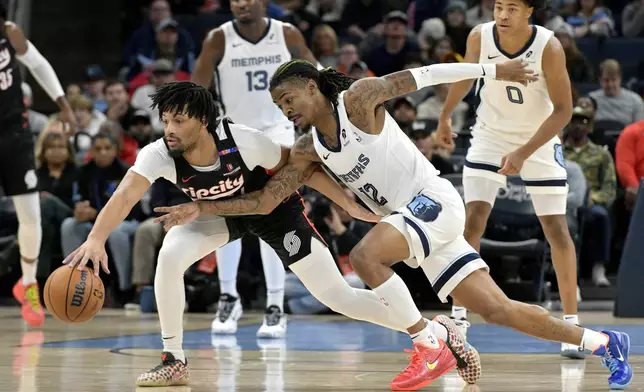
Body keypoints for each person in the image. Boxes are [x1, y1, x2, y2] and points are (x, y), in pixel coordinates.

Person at [156, 59, 633, 390]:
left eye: (289, 97)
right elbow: (263, 202)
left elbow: (426, 76)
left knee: (365, 255)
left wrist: (494, 70)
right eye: (279, 106)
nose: (286, 109)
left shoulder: (359, 100)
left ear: (313, 86)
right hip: (414, 220)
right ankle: (604, 342)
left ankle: (429, 344)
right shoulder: (306, 150)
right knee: (499, 311)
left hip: (433, 201)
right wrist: (203, 209)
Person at [63, 82, 477, 388]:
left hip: (274, 210)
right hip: (219, 215)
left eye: (179, 120)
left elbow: (305, 168)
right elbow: (123, 195)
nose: (169, 129)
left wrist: (348, 204)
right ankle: (174, 358)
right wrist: (97, 238)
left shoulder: (243, 141)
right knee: (170, 256)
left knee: (337, 297)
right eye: (166, 120)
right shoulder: (159, 153)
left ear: (203, 121)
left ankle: (435, 332)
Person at [437, 0, 584, 358]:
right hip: (490, 135)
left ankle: (571, 323)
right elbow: (464, 77)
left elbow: (564, 110)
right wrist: (445, 117)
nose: (503, 15)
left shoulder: (548, 46)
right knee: (472, 222)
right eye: (498, 7)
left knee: (556, 229)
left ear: (529, 11)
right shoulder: (479, 36)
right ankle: (459, 318)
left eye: (512, 8)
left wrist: (523, 152)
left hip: (540, 137)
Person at [191, 0, 321, 338]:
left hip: (277, 134)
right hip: (234, 136)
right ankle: (227, 296)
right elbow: (196, 91)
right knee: (226, 214)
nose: (241, 4)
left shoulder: (286, 35)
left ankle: (275, 304)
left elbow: (316, 79)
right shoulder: (218, 39)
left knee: (272, 216)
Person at [0, 5, 76, 327]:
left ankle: (28, 283)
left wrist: (64, 104)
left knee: (30, 214)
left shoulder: (9, 32)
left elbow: (38, 63)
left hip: (14, 133)